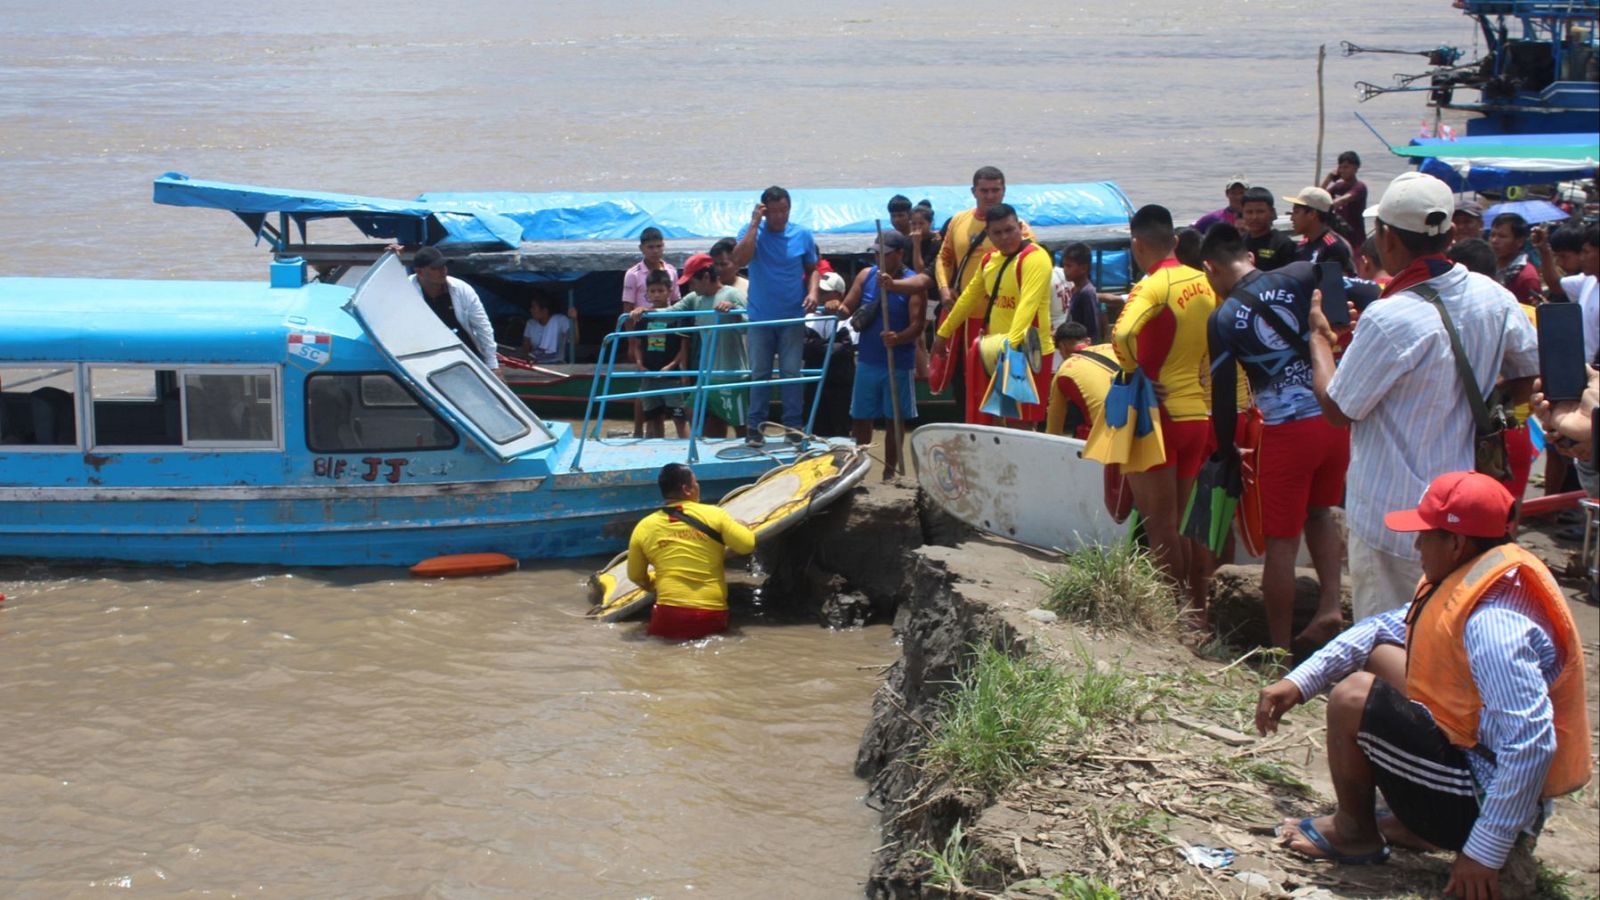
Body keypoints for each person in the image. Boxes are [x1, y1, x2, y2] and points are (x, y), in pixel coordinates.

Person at [1256, 471, 1591, 900]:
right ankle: (1418, 824)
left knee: (1353, 696)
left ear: (1455, 543)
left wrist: (1484, 852)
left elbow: (1530, 745)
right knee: (1380, 656)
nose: (1416, 546)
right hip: (1471, 754)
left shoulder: (1494, 626)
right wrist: (1300, 681)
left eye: (1425, 535)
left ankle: (1355, 832)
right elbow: (1381, 629)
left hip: (1485, 794)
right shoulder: (1475, 575)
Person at [1309, 172, 1538, 621]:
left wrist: (1319, 340)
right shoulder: (1493, 296)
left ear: (1386, 237)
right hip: (1462, 507)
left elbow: (1337, 410)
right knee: (1443, 630)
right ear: (1452, 234)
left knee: (1388, 639)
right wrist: (1494, 419)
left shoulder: (1390, 316)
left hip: (1392, 511)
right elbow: (1525, 372)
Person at [1201, 224, 1349, 651]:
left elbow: (1226, 395)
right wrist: (1334, 320)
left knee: (1281, 543)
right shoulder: (1299, 273)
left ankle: (1280, 650)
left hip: (1287, 431)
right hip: (1334, 419)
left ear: (1211, 268)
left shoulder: (1223, 318)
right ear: (1248, 254)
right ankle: (1329, 606)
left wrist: (1226, 448)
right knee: (1320, 514)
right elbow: (1335, 269)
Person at [1109, 204, 1217, 613]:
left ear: (1137, 245)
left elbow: (1122, 333)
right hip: (1196, 415)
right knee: (1186, 525)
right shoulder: (1204, 282)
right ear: (1174, 241)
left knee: (1160, 526)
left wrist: (1133, 369)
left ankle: (1172, 614)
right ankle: (1197, 609)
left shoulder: (1151, 286)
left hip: (1158, 416)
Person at [930, 202, 1055, 426]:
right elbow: (968, 298)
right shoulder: (989, 260)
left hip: (1028, 353)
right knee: (995, 423)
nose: (1005, 237)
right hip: (995, 351)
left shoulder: (1035, 257)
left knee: (1021, 427)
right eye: (997, 233)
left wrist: (1011, 347)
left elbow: (1028, 306)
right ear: (988, 234)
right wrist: (943, 333)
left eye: (1009, 230)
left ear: (1019, 226)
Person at [936, 167, 1034, 416]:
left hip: (1002, 319)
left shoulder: (1020, 229)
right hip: (963, 318)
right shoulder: (958, 221)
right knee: (964, 383)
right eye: (984, 190)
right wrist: (945, 289)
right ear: (973, 191)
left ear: (1004, 191)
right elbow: (944, 258)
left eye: (995, 190)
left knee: (998, 384)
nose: (990, 196)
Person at [731, 186, 820, 447]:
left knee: (791, 372)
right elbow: (738, 259)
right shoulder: (752, 232)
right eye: (775, 211)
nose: (780, 216)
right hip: (761, 318)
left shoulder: (802, 234)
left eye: (785, 210)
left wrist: (813, 292)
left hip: (792, 316)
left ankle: (793, 427)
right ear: (765, 210)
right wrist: (754, 223)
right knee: (760, 374)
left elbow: (812, 269)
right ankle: (755, 428)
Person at [627, 463, 757, 641]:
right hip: (710, 614)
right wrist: (741, 527)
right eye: (696, 482)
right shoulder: (715, 515)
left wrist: (655, 585)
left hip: (667, 616)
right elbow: (747, 545)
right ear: (687, 489)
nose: (698, 486)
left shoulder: (644, 526)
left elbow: (635, 575)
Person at [632, 253, 747, 438]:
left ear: (707, 277)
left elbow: (749, 327)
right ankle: (706, 456)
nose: (690, 286)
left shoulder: (731, 294)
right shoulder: (695, 298)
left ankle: (750, 455)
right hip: (706, 374)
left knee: (742, 427)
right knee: (693, 412)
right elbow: (670, 312)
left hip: (731, 374)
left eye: (692, 282)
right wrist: (645, 311)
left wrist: (734, 311)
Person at [840, 230, 926, 479]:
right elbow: (849, 305)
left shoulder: (913, 284)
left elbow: (918, 325)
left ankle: (890, 472)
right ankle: (857, 470)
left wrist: (899, 338)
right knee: (861, 417)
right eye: (877, 254)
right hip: (867, 360)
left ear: (900, 254)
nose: (880, 258)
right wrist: (840, 307)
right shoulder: (866, 275)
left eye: (885, 255)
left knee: (894, 420)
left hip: (898, 363)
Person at [409, 246, 499, 373]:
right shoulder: (405, 292)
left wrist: (492, 364)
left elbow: (482, 327)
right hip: (427, 360)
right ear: (419, 272)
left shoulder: (462, 289)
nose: (443, 271)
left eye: (444, 266)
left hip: (467, 356)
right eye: (435, 268)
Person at [630, 270, 688, 438]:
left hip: (671, 377)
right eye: (652, 291)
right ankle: (656, 451)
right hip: (649, 374)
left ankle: (687, 451)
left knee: (679, 418)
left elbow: (683, 347)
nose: (656, 295)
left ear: (669, 291)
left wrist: (671, 366)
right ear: (646, 293)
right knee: (653, 418)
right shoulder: (644, 317)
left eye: (660, 291)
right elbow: (638, 345)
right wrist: (640, 365)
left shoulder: (678, 317)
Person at [1045, 326, 1119, 440]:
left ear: (1062, 347)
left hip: (1107, 438)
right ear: (1088, 341)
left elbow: (1054, 427)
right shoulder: (1111, 347)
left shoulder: (1064, 371)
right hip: (1141, 422)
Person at [806, 271, 856, 437]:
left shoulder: (848, 320)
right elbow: (805, 349)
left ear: (840, 295)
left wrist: (817, 345)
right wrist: (824, 346)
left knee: (841, 431)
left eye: (826, 292)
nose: (821, 296)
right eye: (819, 292)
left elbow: (843, 350)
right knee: (814, 431)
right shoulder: (809, 318)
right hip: (814, 386)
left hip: (839, 386)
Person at [1285, 186, 1356, 276]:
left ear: (1312, 214)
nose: (1292, 218)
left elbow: (1335, 285)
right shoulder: (1301, 246)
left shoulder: (1334, 247)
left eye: (1296, 212)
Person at [1239, 187, 1298, 273]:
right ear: (1242, 213)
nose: (1254, 217)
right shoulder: (1238, 243)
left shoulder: (1283, 244)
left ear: (1272, 212)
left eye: (1260, 212)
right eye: (1249, 212)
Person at [1488, 213, 1543, 304]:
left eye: (1502, 236)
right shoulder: (1487, 267)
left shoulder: (1526, 277)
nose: (1494, 241)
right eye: (1492, 235)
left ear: (1520, 241)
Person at [1054, 242, 1103, 342]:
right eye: (1064, 266)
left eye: (1069, 266)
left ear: (1083, 268)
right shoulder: (1074, 289)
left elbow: (1092, 331)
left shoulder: (1086, 293)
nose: (1065, 270)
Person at [1321, 151, 1368, 244]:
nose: (1342, 170)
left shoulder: (1359, 187)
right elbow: (1318, 196)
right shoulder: (1338, 186)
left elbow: (1341, 201)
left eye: (1346, 167)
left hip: (1355, 238)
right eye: (1340, 167)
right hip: (1338, 236)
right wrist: (1328, 179)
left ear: (1355, 168)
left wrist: (1324, 206)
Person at [521, 294, 572, 364]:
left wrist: (574, 320)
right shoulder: (530, 324)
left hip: (557, 364)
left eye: (534, 307)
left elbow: (573, 341)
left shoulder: (560, 320)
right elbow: (525, 350)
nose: (531, 310)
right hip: (536, 364)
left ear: (544, 310)